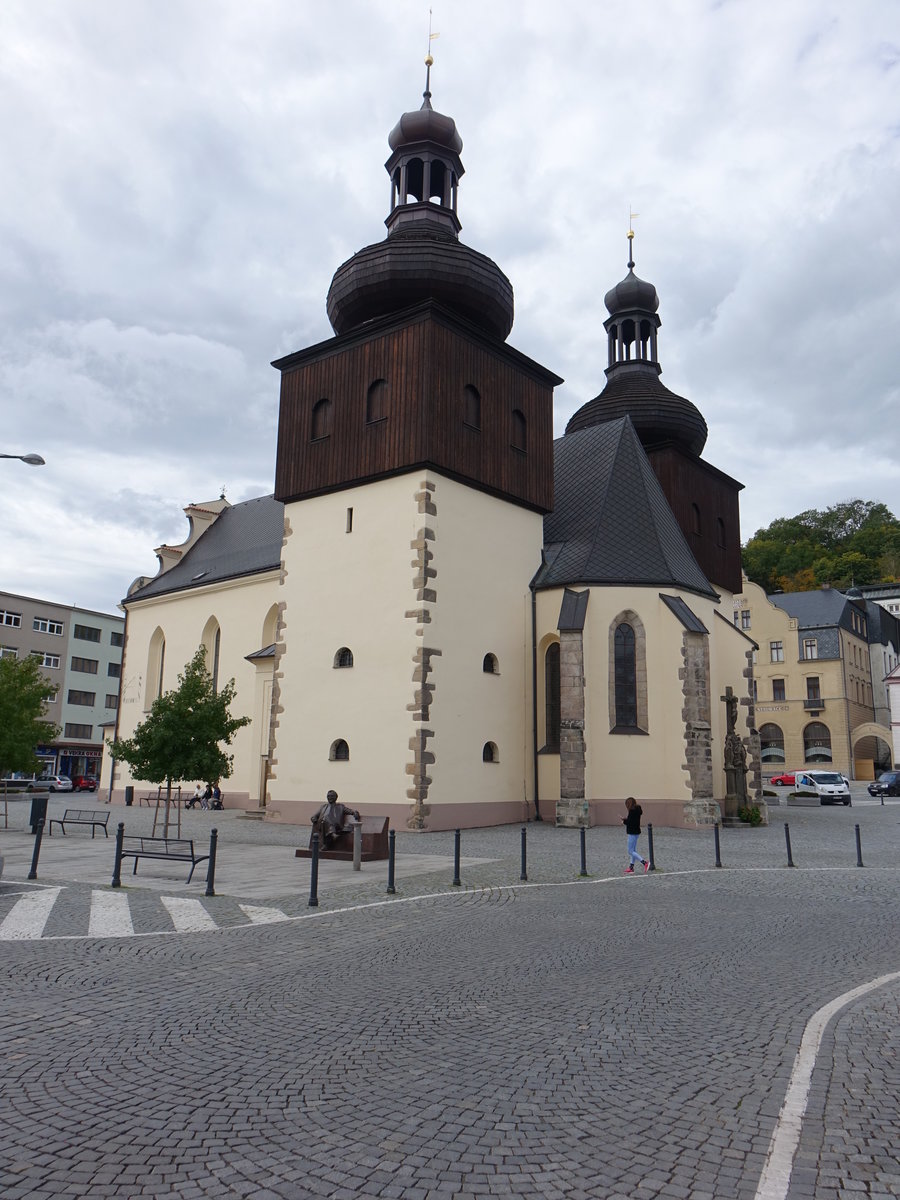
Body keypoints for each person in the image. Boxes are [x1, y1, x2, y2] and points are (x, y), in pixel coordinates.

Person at [623, 796, 650, 874]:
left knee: (630, 851)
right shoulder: (638, 810)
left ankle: (644, 862)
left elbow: (630, 822)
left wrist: (624, 821)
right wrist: (626, 820)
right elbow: (633, 821)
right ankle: (631, 867)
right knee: (633, 850)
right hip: (636, 832)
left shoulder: (631, 811)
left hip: (632, 832)